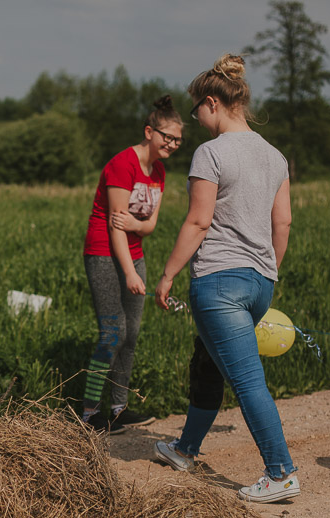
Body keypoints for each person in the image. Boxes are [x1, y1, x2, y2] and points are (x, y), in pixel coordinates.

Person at [152, 54, 297, 504]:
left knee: (248, 380)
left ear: (213, 103)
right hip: (258, 283)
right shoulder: (275, 157)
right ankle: (184, 449)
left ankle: (280, 473)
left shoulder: (211, 152)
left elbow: (198, 222)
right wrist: (268, 269)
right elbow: (283, 224)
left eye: (197, 110)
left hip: (219, 284)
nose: (196, 120)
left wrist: (167, 273)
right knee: (209, 362)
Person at [80, 96, 184, 434]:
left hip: (134, 252)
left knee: (133, 334)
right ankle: (89, 413)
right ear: (149, 131)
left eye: (178, 140)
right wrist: (127, 272)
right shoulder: (123, 164)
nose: (172, 143)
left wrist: (137, 227)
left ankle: (118, 408)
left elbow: (148, 225)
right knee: (114, 333)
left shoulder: (159, 171)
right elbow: (114, 225)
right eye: (166, 136)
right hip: (104, 253)